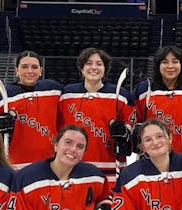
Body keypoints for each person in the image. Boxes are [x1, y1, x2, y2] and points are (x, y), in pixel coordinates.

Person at [58, 47, 135, 188]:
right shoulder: (67, 94)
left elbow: (131, 126)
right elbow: (58, 128)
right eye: (89, 63)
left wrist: (124, 132)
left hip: (109, 165)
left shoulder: (120, 95)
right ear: (82, 69)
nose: (94, 67)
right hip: (72, 164)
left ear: (105, 69)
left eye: (99, 64)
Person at [0, 51, 62, 169]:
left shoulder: (54, 90)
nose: (29, 71)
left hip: (49, 162)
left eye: (34, 67)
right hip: (16, 164)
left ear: (41, 71)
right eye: (24, 67)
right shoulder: (1, 98)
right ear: (17, 70)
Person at [133, 45, 182, 155]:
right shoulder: (144, 90)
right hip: (152, 156)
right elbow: (134, 120)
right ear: (158, 65)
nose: (170, 66)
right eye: (165, 62)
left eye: (175, 62)